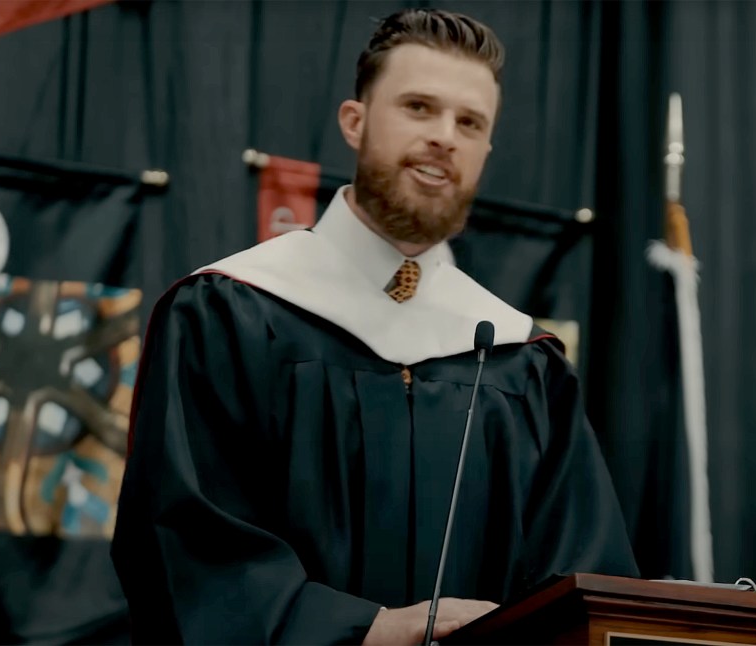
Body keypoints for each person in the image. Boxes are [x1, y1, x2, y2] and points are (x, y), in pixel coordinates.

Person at [111, 8, 637, 645]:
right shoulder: (231, 310)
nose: (445, 136)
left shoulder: (518, 357)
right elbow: (183, 544)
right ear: (355, 123)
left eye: (470, 122)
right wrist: (367, 630)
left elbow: (581, 582)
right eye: (419, 107)